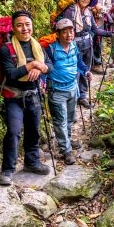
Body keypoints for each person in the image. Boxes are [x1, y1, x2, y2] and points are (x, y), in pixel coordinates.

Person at [0, 11, 54, 186]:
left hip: (34, 95)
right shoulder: (6, 49)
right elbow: (11, 74)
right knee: (14, 132)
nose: (25, 28)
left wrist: (40, 68)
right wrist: (32, 65)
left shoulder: (38, 46)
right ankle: (7, 170)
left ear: (32, 26)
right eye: (20, 25)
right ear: (14, 28)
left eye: (27, 24)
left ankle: (31, 162)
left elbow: (50, 66)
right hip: (13, 96)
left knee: (34, 130)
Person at [45, 18, 93, 165]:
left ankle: (67, 140)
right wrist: (41, 82)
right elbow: (44, 67)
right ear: (57, 34)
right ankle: (66, 150)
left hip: (73, 88)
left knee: (70, 118)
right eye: (64, 32)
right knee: (60, 121)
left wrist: (86, 71)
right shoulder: (51, 49)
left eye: (71, 31)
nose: (69, 35)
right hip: (57, 90)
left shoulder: (73, 46)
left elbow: (79, 62)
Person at [62, 0, 114, 108]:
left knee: (85, 70)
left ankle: (83, 96)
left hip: (87, 45)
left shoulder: (88, 12)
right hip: (73, 46)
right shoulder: (70, 11)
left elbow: (94, 30)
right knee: (74, 72)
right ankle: (72, 99)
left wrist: (110, 33)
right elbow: (65, 30)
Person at [82, 0, 112, 72]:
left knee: (98, 41)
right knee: (87, 41)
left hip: (99, 19)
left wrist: (101, 9)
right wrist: (93, 8)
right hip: (86, 19)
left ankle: (97, 63)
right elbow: (82, 1)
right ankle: (86, 65)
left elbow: (108, 6)